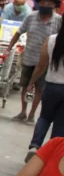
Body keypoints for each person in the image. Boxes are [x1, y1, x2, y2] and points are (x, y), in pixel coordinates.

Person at [8, 0, 62, 124]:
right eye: (43, 2)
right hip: (29, 57)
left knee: (39, 88)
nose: (45, 5)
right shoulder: (31, 17)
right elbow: (19, 32)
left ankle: (32, 115)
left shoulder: (58, 20)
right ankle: (23, 112)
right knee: (25, 86)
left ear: (54, 5)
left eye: (49, 3)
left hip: (46, 62)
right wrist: (9, 47)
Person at [23, 19, 64, 162]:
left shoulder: (51, 40)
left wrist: (32, 82)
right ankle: (51, 155)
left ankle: (35, 146)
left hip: (52, 86)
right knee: (60, 123)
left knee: (44, 117)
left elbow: (41, 65)